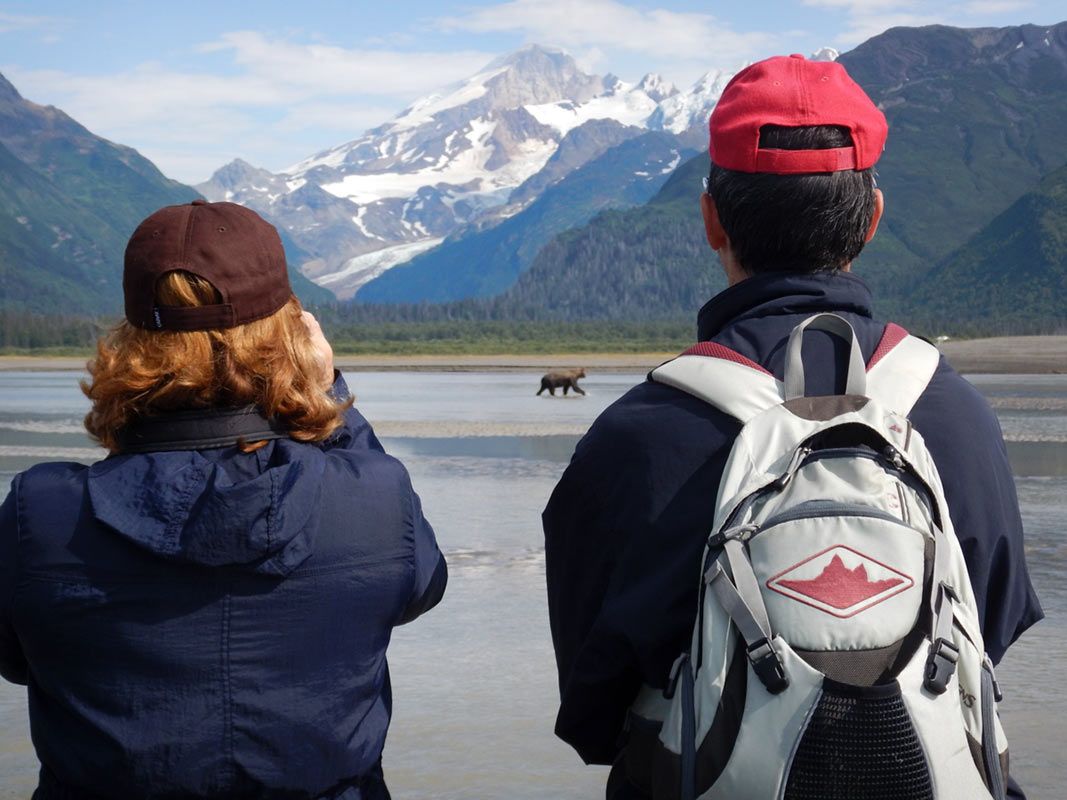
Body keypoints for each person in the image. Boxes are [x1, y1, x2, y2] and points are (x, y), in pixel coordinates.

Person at [543, 54, 1042, 799]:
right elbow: (987, 634)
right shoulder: (954, 413)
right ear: (872, 217)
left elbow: (594, 707)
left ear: (712, 219)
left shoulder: (636, 436)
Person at [0, 200, 447, 798]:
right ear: (292, 336)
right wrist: (330, 402)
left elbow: (17, 657)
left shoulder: (44, 512)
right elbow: (420, 589)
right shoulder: (372, 499)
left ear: (130, 343)